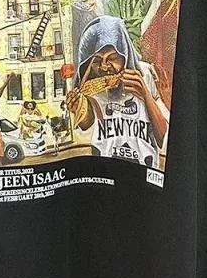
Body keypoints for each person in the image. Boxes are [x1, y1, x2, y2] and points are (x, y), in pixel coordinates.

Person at [66, 16, 168, 167]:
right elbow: (87, 125)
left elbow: (163, 138)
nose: (104, 66)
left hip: (142, 166)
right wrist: (77, 107)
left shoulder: (147, 74)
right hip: (105, 166)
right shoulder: (91, 82)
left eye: (112, 58)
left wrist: (145, 95)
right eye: (97, 60)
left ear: (125, 54)